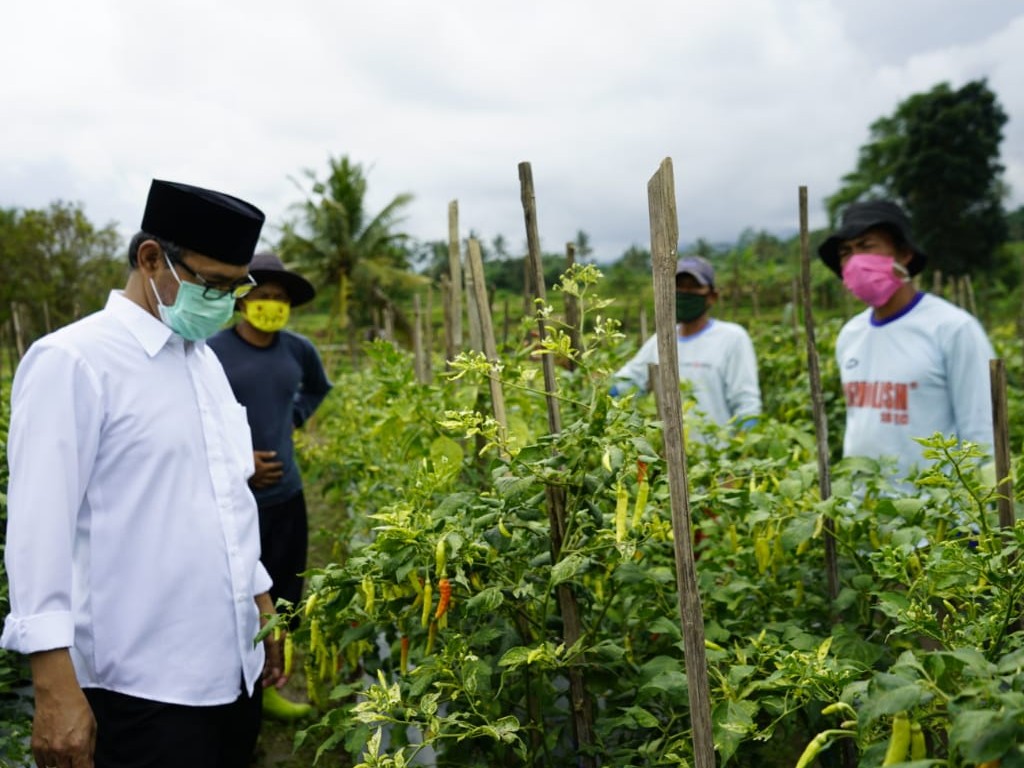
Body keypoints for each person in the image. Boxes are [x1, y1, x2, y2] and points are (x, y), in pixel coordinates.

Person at [1, 179, 286, 768]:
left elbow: (226, 497)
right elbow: (37, 531)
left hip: (230, 670)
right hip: (137, 685)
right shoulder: (74, 362)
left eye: (237, 288)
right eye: (212, 284)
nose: (225, 303)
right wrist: (54, 686)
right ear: (151, 259)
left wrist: (260, 599)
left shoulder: (203, 361)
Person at [208, 252, 331, 719]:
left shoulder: (298, 350)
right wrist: (242, 463)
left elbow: (317, 387)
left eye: (280, 299)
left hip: (286, 496)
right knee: (234, 596)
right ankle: (233, 688)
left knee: (282, 594)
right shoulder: (213, 352)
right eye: (263, 296)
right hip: (231, 499)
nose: (272, 305)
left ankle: (272, 683)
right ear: (242, 301)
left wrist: (294, 417)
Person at [818, 199, 995, 483]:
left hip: (934, 516)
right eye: (845, 252)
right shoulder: (850, 334)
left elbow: (982, 434)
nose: (855, 260)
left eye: (866, 246)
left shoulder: (953, 329)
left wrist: (973, 521)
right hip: (862, 512)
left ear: (904, 254)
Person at [610, 255, 762, 437]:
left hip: (718, 459)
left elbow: (746, 403)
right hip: (669, 458)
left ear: (712, 296)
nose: (684, 292)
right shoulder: (661, 340)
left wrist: (744, 449)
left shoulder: (732, 338)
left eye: (693, 287)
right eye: (678, 286)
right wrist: (600, 388)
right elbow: (629, 381)